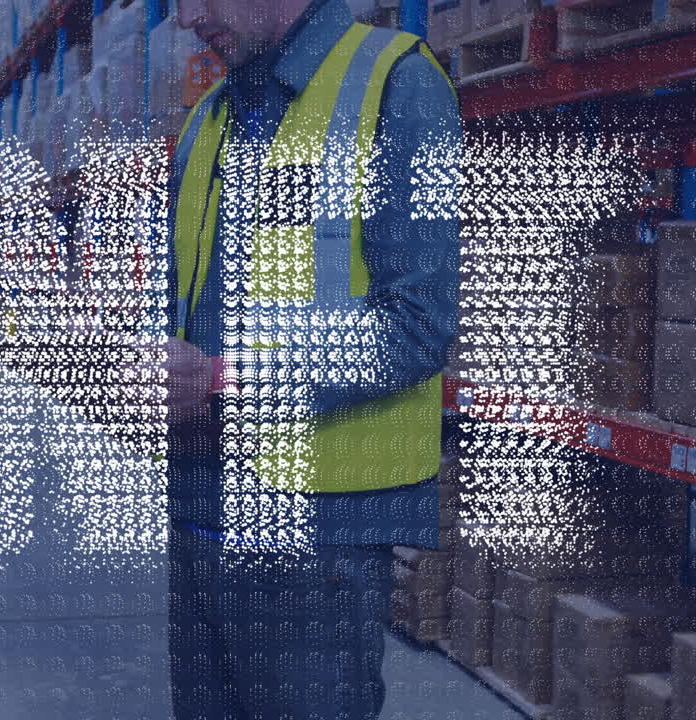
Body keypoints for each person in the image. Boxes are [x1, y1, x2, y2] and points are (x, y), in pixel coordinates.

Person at [158, 0, 461, 718]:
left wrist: (223, 378)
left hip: (318, 535)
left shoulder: (399, 86)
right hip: (200, 513)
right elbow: (190, 304)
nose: (184, 18)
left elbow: (417, 323)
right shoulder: (211, 117)